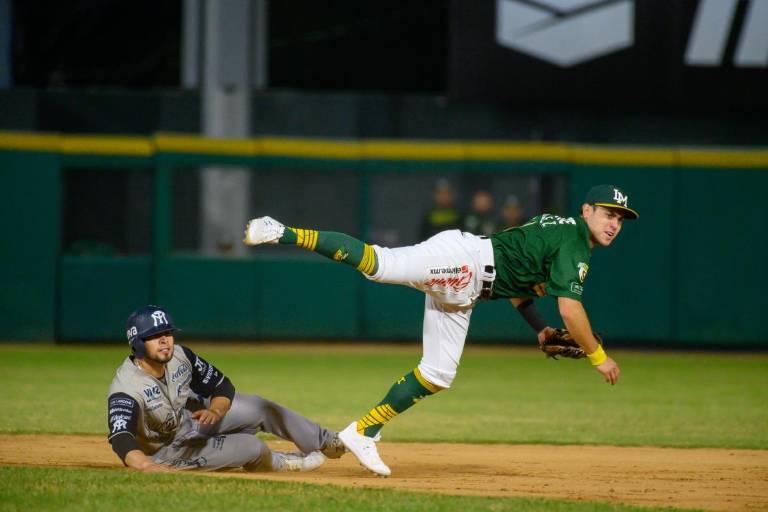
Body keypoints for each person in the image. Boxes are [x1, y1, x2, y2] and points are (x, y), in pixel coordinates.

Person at [243, 184, 638, 477]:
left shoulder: (560, 229)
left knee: (438, 373)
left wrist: (539, 328)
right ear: (587, 210)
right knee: (380, 264)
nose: (614, 224)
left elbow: (519, 283)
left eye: (620, 219)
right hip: (466, 265)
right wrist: (598, 357)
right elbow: (571, 310)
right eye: (608, 214)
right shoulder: (574, 243)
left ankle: (362, 432)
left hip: (468, 288)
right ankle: (282, 231)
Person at [107, 305, 346, 472]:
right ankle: (281, 462)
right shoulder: (126, 388)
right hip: (164, 451)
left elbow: (222, 385)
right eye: (155, 335)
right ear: (137, 343)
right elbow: (120, 437)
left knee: (259, 407)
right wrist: (146, 465)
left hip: (191, 421)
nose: (165, 340)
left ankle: (329, 442)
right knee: (252, 447)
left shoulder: (181, 356)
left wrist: (216, 410)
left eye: (167, 333)